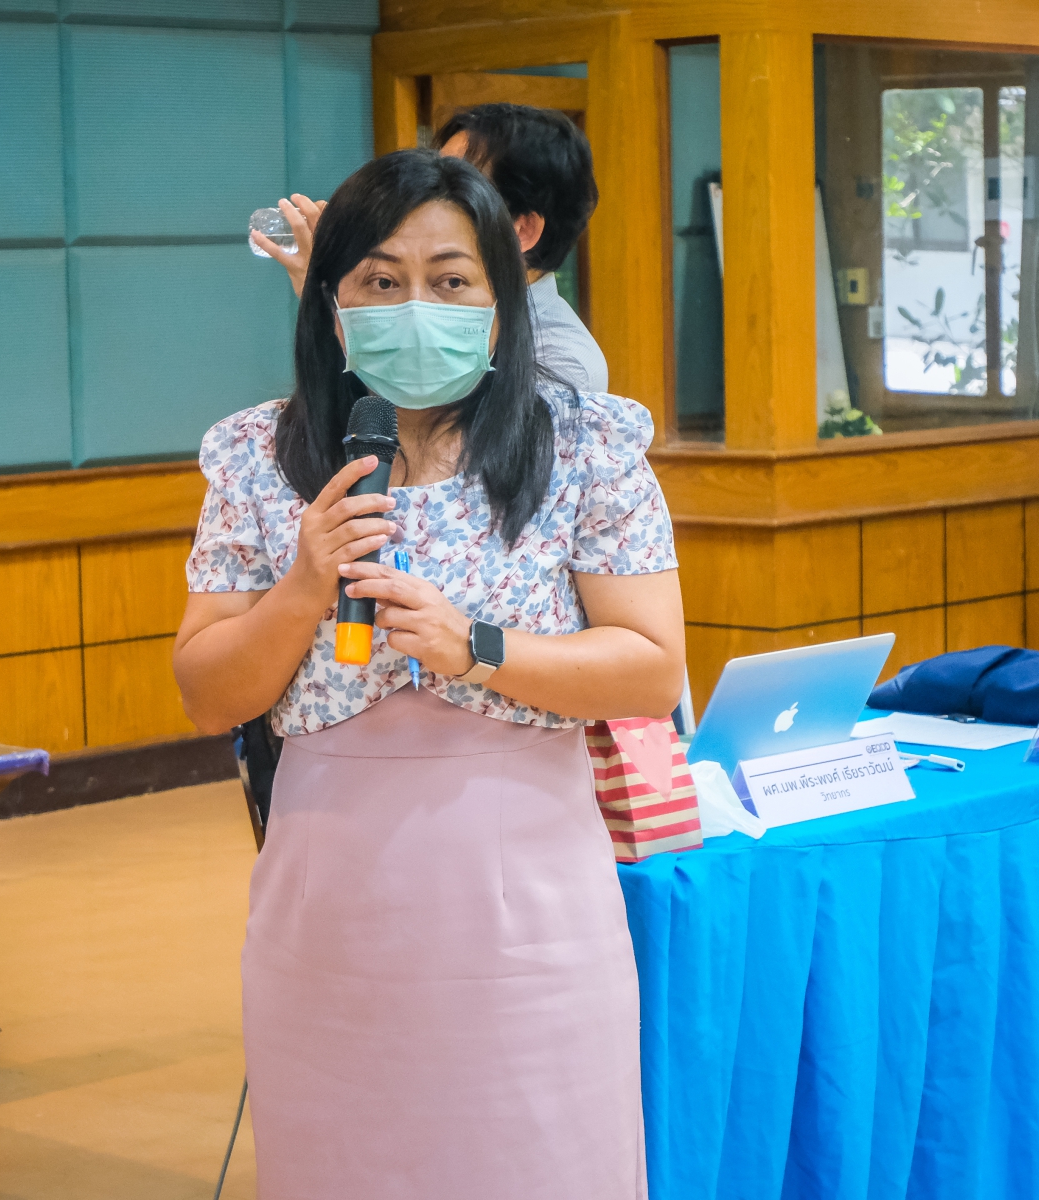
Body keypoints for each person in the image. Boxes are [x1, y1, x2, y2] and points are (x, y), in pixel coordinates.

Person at [177, 148, 682, 1199]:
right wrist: (303, 589)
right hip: (328, 908)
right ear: (330, 302)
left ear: (502, 303)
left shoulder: (583, 447)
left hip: (533, 913)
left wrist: (479, 649)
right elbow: (208, 691)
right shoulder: (258, 456)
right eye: (380, 279)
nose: (417, 307)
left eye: (451, 280)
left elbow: (649, 669)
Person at [253, 103, 607, 392]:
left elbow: (443, 438)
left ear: (522, 230)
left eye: (463, 184)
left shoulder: (563, 362)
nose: (433, 193)